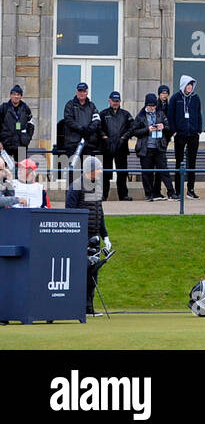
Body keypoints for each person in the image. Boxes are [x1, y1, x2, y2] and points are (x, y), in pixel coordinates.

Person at [65, 156, 110, 315]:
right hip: (81, 237)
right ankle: (78, 307)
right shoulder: (76, 187)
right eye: (98, 168)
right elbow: (70, 212)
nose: (100, 171)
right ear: (90, 170)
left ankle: (89, 307)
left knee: (93, 273)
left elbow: (100, 212)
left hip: (94, 236)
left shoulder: (96, 186)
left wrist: (105, 235)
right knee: (81, 273)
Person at [134, 93, 176, 201]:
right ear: (146, 105)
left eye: (154, 106)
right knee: (147, 173)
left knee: (164, 170)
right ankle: (149, 194)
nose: (152, 108)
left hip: (159, 147)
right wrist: (147, 129)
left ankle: (171, 192)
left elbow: (168, 127)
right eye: (150, 106)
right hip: (146, 148)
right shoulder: (140, 116)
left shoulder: (160, 114)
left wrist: (163, 127)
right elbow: (135, 131)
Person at [170, 74, 204, 200]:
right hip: (180, 135)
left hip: (193, 135)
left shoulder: (196, 98)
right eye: (188, 84)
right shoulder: (175, 98)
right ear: (183, 85)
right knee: (179, 163)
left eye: (191, 85)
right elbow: (171, 115)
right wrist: (174, 131)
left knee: (192, 163)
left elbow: (199, 114)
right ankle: (178, 191)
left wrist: (199, 130)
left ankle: (191, 189)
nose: (189, 87)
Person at [98, 92, 136, 202]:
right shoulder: (103, 114)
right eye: (114, 101)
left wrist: (124, 137)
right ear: (109, 101)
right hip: (107, 147)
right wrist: (105, 137)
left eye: (117, 101)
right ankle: (103, 195)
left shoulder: (126, 114)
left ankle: (123, 195)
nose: (115, 103)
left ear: (120, 101)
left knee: (122, 173)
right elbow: (98, 128)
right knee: (105, 173)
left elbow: (133, 128)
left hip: (121, 148)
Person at [62, 82, 102, 159]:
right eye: (80, 91)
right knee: (73, 169)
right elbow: (68, 120)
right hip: (73, 143)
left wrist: (89, 130)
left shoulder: (92, 106)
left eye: (84, 91)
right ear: (76, 92)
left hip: (88, 143)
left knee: (87, 169)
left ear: (87, 92)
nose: (82, 93)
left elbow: (96, 120)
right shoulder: (70, 105)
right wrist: (81, 129)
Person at [1, 85, 35, 163]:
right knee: (4, 169)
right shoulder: (3, 108)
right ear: (10, 95)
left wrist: (27, 138)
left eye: (18, 94)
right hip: (6, 144)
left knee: (21, 169)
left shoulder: (26, 109)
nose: (16, 96)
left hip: (21, 144)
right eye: (14, 94)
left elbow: (31, 124)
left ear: (21, 96)